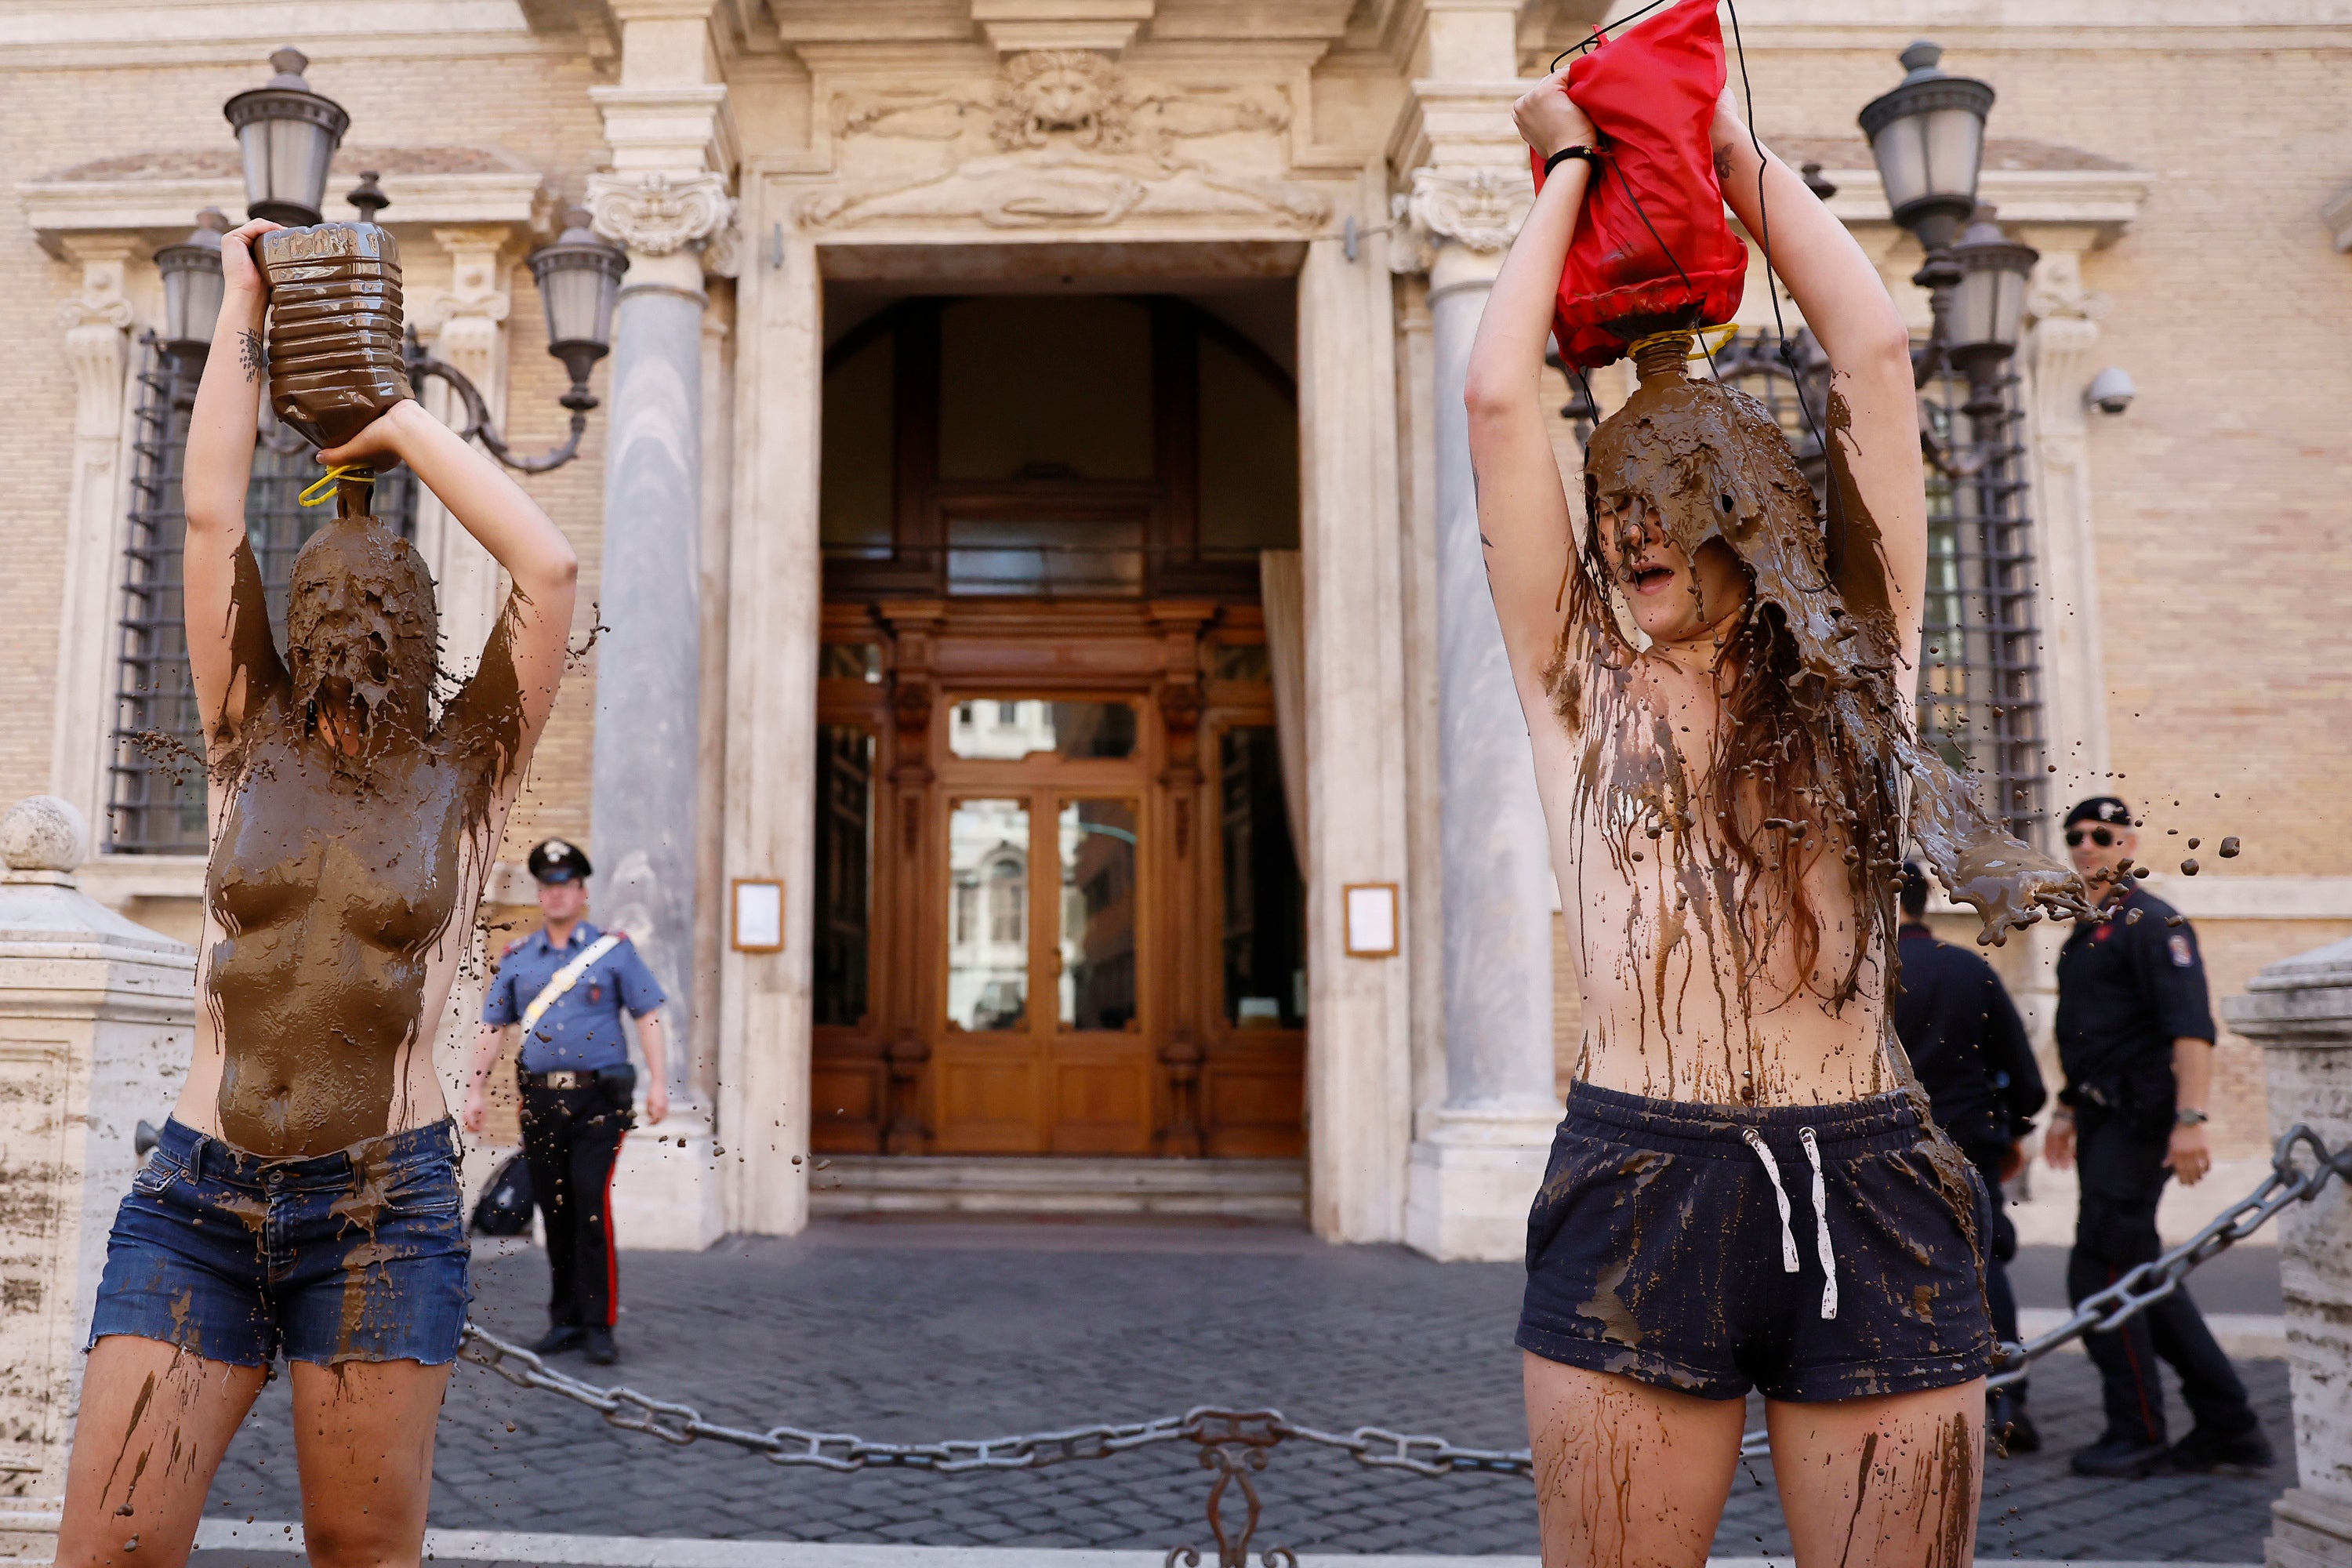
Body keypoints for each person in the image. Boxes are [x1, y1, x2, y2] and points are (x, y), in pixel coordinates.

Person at [1467, 62, 2085, 1568]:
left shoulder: (1860, 674)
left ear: (1748, 509)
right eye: (1612, 495)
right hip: (1640, 1182)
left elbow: (1871, 351)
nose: (1625, 523)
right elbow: (1495, 396)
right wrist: (1568, 171)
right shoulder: (1579, 688)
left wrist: (1726, 155)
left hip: (1867, 1180)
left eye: (1669, 489)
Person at [56, 219, 578, 1568]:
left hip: (382, 1210)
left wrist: (400, 429)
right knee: (110, 1547)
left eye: (382, 592)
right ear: (293, 617)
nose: (352, 607)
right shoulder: (244, 737)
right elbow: (216, 510)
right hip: (195, 1199)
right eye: (324, 593)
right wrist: (243, 300)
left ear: (420, 632)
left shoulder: (473, 769)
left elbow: (550, 570)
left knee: (359, 1552)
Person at [2042, 797, 2272, 1479]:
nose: (2087, 846)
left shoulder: (2152, 921)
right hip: (2102, 1118)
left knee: (2103, 1271)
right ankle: (2230, 1425)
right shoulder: (2092, 928)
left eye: (2101, 835)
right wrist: (2065, 1106)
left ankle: (2137, 1430)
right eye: (2076, 836)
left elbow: (2191, 1027)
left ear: (2129, 842)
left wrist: (2192, 1120)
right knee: (2145, 1276)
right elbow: (2095, 1033)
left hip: (2141, 1125)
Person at [462, 838, 669, 1365]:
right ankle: (566, 1321)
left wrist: (662, 1085)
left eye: (566, 886)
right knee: (554, 1212)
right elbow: (492, 1026)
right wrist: (476, 1090)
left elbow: (648, 1016)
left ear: (581, 892)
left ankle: (599, 1324)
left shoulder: (612, 951)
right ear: (541, 894)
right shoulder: (519, 959)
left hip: (598, 1100)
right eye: (547, 887)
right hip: (540, 1103)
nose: (556, 896)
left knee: (589, 1206)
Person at [1893, 862, 2046, 1453]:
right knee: (1982, 1269)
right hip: (1969, 1144)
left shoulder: (1860, 976)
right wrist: (2012, 1126)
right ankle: (2007, 1403)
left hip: (1882, 1151)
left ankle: (1913, 1408)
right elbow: (2025, 1077)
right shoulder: (1967, 968)